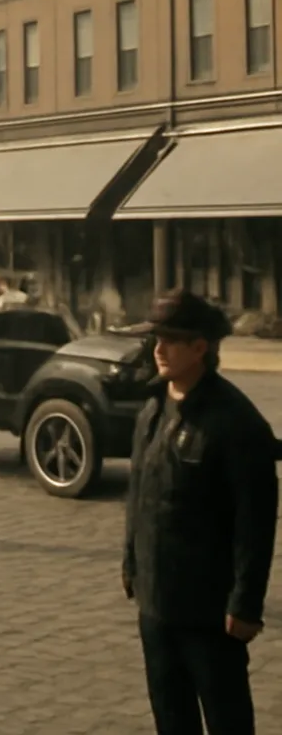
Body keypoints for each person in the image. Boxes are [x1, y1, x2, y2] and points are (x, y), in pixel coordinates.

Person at [122, 289, 279, 735]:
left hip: (210, 612)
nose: (159, 348)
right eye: (156, 338)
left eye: (172, 339)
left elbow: (255, 519)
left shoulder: (234, 422)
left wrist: (245, 602)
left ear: (200, 348)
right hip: (157, 603)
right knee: (171, 717)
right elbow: (140, 494)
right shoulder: (152, 409)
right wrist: (131, 560)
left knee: (226, 717)